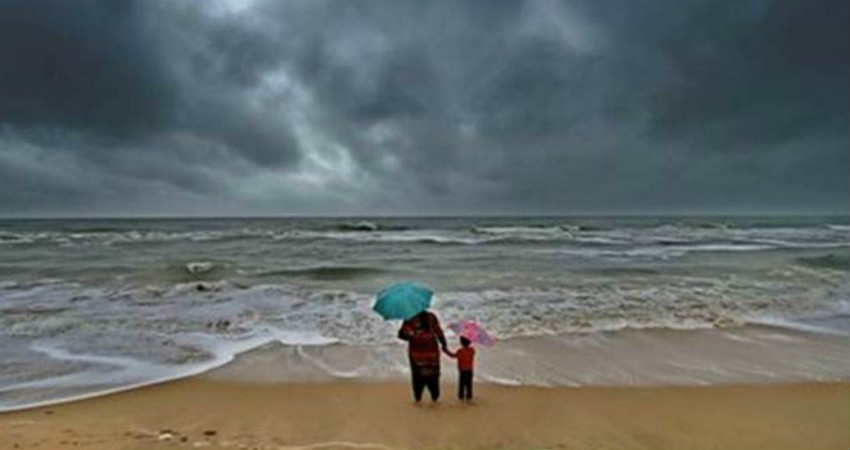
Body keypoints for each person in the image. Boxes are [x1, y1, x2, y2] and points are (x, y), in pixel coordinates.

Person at [397, 310, 448, 403]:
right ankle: (434, 398)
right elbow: (439, 332)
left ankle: (418, 399)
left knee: (417, 377)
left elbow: (402, 335)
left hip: (416, 354)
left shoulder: (409, 319)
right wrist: (444, 344)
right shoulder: (432, 317)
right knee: (433, 376)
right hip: (432, 352)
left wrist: (410, 334)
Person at [445, 336, 476, 402]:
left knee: (461, 385)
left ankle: (461, 397)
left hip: (462, 371)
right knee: (469, 385)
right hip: (470, 370)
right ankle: (469, 397)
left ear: (461, 342)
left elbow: (453, 356)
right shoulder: (472, 350)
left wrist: (446, 351)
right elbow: (473, 353)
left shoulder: (460, 351)